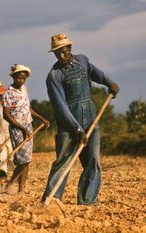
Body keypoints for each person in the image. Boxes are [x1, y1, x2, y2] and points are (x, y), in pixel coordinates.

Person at [41, 33, 120, 205]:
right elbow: (61, 107)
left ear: (70, 48)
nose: (62, 55)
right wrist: (77, 129)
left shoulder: (83, 61)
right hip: (68, 125)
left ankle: (87, 200)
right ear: (54, 54)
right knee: (63, 162)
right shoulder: (54, 76)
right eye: (58, 53)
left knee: (93, 160)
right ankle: (52, 200)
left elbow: (96, 74)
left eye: (65, 50)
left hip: (91, 119)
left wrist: (110, 83)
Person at [3, 64, 49, 194]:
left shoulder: (24, 89)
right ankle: (11, 183)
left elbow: (27, 108)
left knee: (27, 159)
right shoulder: (8, 93)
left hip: (28, 125)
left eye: (23, 78)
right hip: (17, 128)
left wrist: (41, 118)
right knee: (22, 160)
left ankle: (21, 188)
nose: (21, 81)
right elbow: (6, 115)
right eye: (18, 78)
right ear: (13, 77)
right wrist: (21, 128)